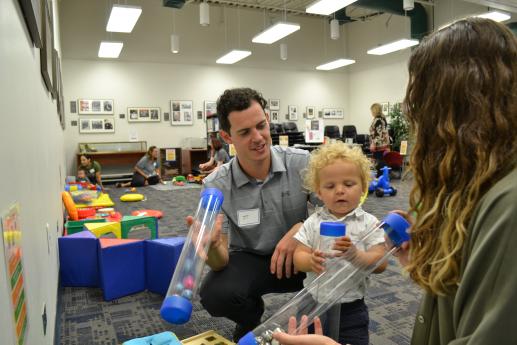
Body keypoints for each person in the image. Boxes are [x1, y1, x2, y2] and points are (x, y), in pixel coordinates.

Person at [272, 17, 517, 345]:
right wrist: (431, 263)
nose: (416, 119)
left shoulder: (508, 206)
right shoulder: (479, 189)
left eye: (423, 104)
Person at [196, 87, 318, 341]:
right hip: (251, 259)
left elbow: (336, 213)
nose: (259, 137)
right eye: (245, 132)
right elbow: (221, 262)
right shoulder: (216, 185)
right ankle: (251, 319)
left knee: (341, 257)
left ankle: (321, 316)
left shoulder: (301, 163)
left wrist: (301, 230)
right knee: (215, 293)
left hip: (300, 256)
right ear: (227, 137)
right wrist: (213, 247)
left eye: (261, 126)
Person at [293, 142, 386, 345]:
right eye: (330, 186)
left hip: (350, 308)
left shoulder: (368, 223)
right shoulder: (313, 222)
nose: (340, 191)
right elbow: (298, 256)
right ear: (318, 191)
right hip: (312, 303)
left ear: (363, 186)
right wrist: (310, 260)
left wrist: (357, 256)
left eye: (349, 184)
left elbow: (381, 262)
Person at [368, 103, 390, 177]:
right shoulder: (382, 118)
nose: (371, 112)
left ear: (375, 110)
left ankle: (381, 177)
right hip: (382, 144)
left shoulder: (378, 120)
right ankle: (383, 176)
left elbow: (378, 134)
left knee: (378, 161)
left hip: (379, 145)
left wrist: (373, 144)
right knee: (380, 161)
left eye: (372, 111)